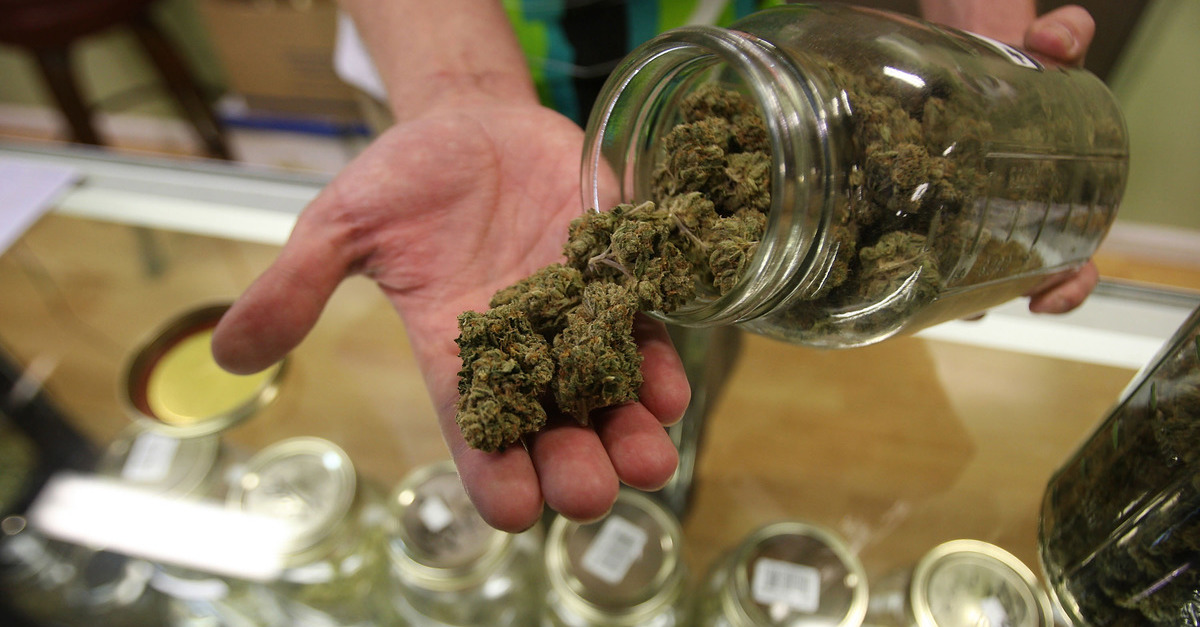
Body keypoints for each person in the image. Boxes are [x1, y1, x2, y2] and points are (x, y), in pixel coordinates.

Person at [211, 1, 1101, 533]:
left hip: (735, 60)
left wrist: (989, 68)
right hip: (449, 43)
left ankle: (683, 459)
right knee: (666, 365)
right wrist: (460, 92)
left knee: (710, 338)